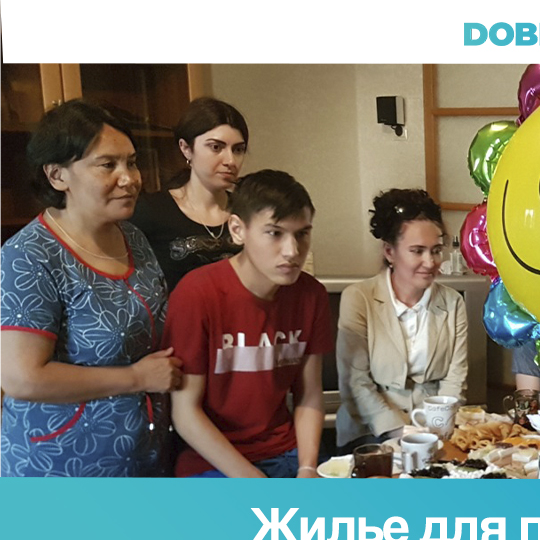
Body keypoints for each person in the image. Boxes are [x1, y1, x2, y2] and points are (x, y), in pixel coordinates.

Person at [0, 99, 182, 477]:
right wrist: (136, 378)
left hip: (143, 457)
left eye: (132, 162)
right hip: (62, 467)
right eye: (107, 165)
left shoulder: (133, 237)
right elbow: (21, 377)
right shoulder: (28, 256)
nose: (129, 178)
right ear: (57, 175)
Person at [164, 170, 331, 477]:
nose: (292, 251)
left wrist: (308, 468)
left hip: (286, 450)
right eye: (275, 233)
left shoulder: (311, 295)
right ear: (238, 230)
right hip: (211, 459)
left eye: (302, 234)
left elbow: (309, 394)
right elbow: (186, 413)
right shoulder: (197, 293)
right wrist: (253, 481)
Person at [335, 189, 468, 453]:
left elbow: (456, 379)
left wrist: (436, 430)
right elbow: (356, 383)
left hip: (435, 429)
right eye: (417, 251)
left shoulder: (453, 302)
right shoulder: (359, 298)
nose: (430, 262)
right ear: (389, 251)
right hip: (370, 431)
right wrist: (401, 432)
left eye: (436, 251)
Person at [129, 97, 247, 290]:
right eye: (216, 147)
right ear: (186, 148)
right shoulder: (151, 212)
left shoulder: (249, 211)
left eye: (238, 149)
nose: (230, 161)